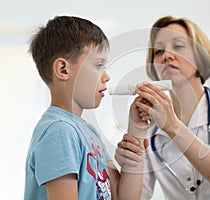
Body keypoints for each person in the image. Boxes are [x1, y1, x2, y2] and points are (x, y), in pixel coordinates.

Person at [114, 16, 210, 199]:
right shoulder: (152, 131)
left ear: (200, 55)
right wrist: (135, 142)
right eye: (158, 51)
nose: (166, 55)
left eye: (178, 46)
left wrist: (172, 126)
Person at [24, 16, 149, 200]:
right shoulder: (59, 131)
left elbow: (123, 197)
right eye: (98, 65)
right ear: (63, 70)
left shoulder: (88, 132)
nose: (106, 76)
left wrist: (137, 130)